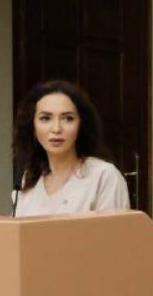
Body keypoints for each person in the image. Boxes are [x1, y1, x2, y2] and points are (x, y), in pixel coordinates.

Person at [12, 80, 130, 217]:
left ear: (81, 125)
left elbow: (115, 230)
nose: (56, 129)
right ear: (32, 127)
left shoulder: (104, 176)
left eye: (68, 118)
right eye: (45, 118)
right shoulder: (29, 179)